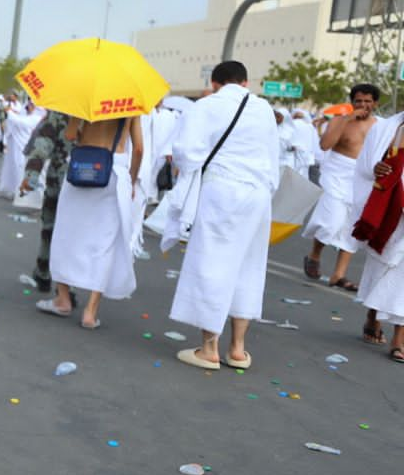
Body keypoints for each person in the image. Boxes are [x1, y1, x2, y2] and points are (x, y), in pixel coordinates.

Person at [169, 60, 279, 371]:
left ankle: (209, 349)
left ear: (215, 83)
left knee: (213, 263)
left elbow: (186, 154)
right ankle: (238, 350)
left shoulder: (205, 106)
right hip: (258, 194)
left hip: (222, 190)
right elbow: (274, 158)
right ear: (245, 83)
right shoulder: (264, 109)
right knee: (248, 266)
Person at [39, 115, 144, 328]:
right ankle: (90, 311)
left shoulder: (89, 101)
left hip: (84, 168)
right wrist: (132, 180)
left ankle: (63, 298)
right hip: (115, 172)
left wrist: (78, 126)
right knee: (105, 242)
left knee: (67, 235)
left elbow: (69, 135)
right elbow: (139, 149)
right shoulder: (131, 104)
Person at [305, 84, 379, 294]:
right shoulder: (340, 121)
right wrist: (347, 118)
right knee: (331, 222)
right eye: (358, 101)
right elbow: (325, 145)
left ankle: (339, 275)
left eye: (367, 101)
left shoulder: (379, 126)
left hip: (363, 178)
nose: (363, 105)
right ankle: (315, 254)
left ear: (375, 103)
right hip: (336, 176)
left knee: (353, 228)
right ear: (352, 102)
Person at [350, 105, 404, 359]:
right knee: (380, 263)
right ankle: (373, 313)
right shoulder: (384, 129)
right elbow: (364, 166)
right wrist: (376, 167)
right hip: (389, 208)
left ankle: (399, 337)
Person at [20, 110, 72, 293]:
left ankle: (44, 271)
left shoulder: (60, 112)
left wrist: (32, 173)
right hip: (92, 180)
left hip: (59, 176)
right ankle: (67, 286)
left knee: (50, 227)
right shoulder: (104, 113)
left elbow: (43, 145)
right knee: (74, 233)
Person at [0, 96, 40, 203]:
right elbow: (14, 121)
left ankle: (20, 193)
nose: (29, 107)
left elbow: (22, 122)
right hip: (14, 143)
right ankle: (10, 190)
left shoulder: (36, 117)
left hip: (24, 146)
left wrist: (10, 113)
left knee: (19, 167)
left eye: (32, 105)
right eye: (29, 105)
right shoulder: (24, 114)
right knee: (10, 166)